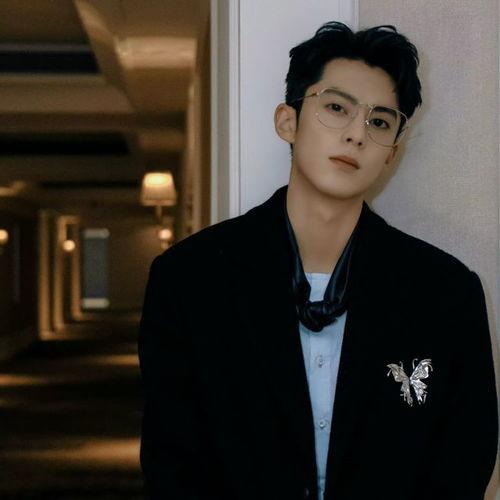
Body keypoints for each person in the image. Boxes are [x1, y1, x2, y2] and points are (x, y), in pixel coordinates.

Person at [138, 21, 498, 500]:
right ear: (288, 121)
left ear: (392, 153)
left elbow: (465, 458)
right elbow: (172, 458)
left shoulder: (446, 292)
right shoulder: (190, 278)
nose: (356, 135)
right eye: (336, 108)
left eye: (379, 122)